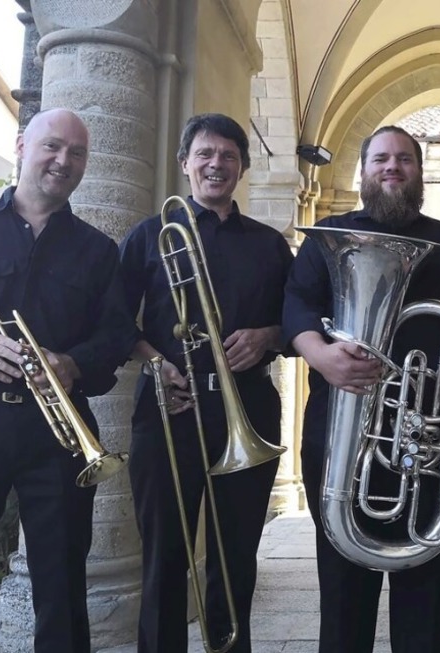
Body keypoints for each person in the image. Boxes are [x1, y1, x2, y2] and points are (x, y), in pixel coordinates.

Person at [283, 125, 440, 653]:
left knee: (424, 589)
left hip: (425, 434)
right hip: (340, 430)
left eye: (405, 160)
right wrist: (320, 356)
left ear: (419, 173)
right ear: (363, 171)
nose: (393, 167)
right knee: (341, 592)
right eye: (381, 159)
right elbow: (295, 306)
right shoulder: (329, 234)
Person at [0, 108, 135, 653]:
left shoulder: (97, 251)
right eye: (52, 147)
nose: (63, 161)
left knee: (63, 584)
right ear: (22, 146)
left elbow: (114, 337)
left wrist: (72, 363)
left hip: (57, 434)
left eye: (77, 153)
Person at [119, 112, 292, 653]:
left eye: (229, 156)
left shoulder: (269, 245)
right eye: (206, 154)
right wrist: (154, 362)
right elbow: (112, 322)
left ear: (241, 168)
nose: (217, 164)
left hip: (248, 408)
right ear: (185, 164)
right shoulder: (150, 235)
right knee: (164, 557)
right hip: (170, 410)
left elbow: (302, 322)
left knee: (236, 555)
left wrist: (266, 336)